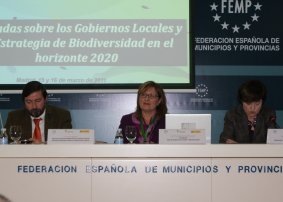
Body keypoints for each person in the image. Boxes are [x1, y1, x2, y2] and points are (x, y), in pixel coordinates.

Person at [5, 81, 72, 144]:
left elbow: (66, 144)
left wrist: (42, 145)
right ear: (24, 102)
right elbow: (6, 143)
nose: (34, 106)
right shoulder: (14, 117)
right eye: (28, 102)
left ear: (45, 99)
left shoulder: (62, 116)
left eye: (37, 101)